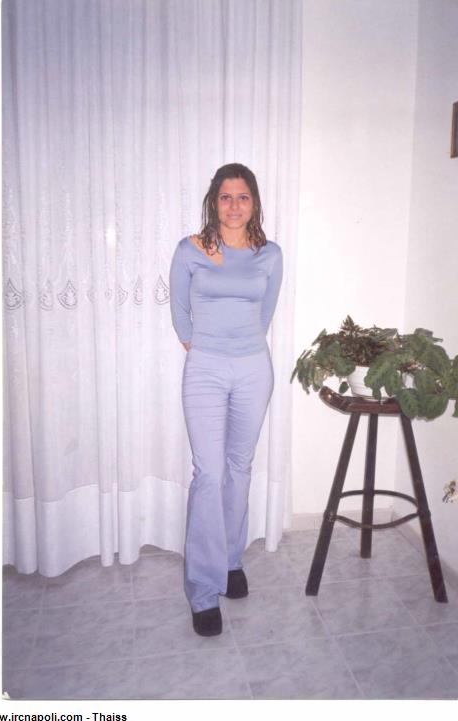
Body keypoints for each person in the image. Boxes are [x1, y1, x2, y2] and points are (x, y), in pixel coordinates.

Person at [169, 163, 283, 637]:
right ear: (213, 202)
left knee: (239, 467)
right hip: (207, 370)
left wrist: (242, 349)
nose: (234, 205)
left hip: (254, 368)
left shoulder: (270, 254)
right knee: (209, 474)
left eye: (243, 197)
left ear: (254, 203)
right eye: (225, 197)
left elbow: (266, 312)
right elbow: (180, 312)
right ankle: (202, 589)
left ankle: (231, 560)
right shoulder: (190, 249)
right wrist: (204, 348)